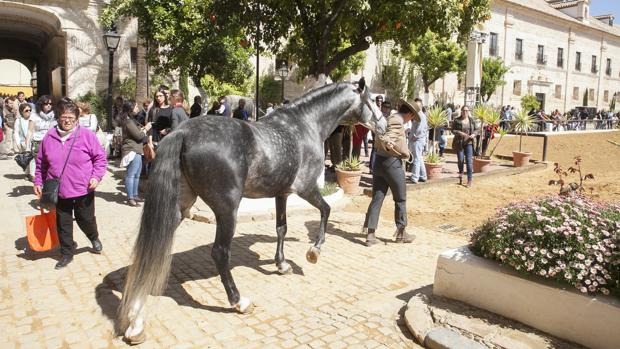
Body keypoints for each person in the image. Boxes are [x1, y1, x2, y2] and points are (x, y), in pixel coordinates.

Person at [33, 97, 107, 270]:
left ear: (77, 119)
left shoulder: (87, 136)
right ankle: (66, 253)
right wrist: (38, 180)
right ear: (58, 117)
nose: (67, 121)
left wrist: (96, 176)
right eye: (64, 117)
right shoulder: (49, 137)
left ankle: (93, 236)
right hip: (59, 190)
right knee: (63, 223)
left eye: (71, 118)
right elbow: (41, 163)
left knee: (85, 219)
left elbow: (100, 159)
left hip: (84, 188)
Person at [363, 99, 419, 246]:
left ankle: (370, 235)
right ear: (410, 114)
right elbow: (390, 135)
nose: (411, 120)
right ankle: (401, 234)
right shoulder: (397, 121)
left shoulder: (389, 118)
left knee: (377, 197)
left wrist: (387, 141)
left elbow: (385, 134)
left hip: (380, 162)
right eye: (412, 117)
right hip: (392, 164)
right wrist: (389, 142)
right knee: (400, 199)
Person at [120, 100, 150, 207]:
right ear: (130, 108)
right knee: (131, 174)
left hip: (137, 149)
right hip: (132, 149)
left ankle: (135, 195)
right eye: (136, 106)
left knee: (137, 175)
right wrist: (146, 129)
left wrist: (142, 129)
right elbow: (139, 136)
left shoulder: (131, 120)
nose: (138, 108)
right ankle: (130, 198)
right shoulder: (128, 121)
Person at [451, 105, 479, 188]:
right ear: (461, 111)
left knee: (469, 162)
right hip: (459, 143)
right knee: (460, 160)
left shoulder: (471, 120)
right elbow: (452, 130)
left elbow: (477, 129)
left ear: (468, 111)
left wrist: (474, 134)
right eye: (463, 110)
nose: (465, 112)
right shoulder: (457, 120)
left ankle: (469, 180)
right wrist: (459, 133)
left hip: (469, 143)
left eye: (467, 110)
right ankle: (461, 173)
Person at [31, 95, 57, 179]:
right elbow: (29, 131)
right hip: (38, 141)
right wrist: (27, 144)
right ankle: (40, 181)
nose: (49, 105)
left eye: (50, 103)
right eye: (46, 103)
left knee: (50, 162)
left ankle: (48, 181)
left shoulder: (54, 116)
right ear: (41, 104)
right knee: (39, 163)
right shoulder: (34, 115)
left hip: (51, 142)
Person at [407, 98, 428, 183]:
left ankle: (415, 177)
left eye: (418, 105)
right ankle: (423, 176)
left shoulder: (421, 116)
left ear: (421, 106)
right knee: (419, 158)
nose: (416, 107)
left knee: (416, 159)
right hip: (417, 140)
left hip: (417, 140)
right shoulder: (417, 115)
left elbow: (420, 129)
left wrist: (414, 136)